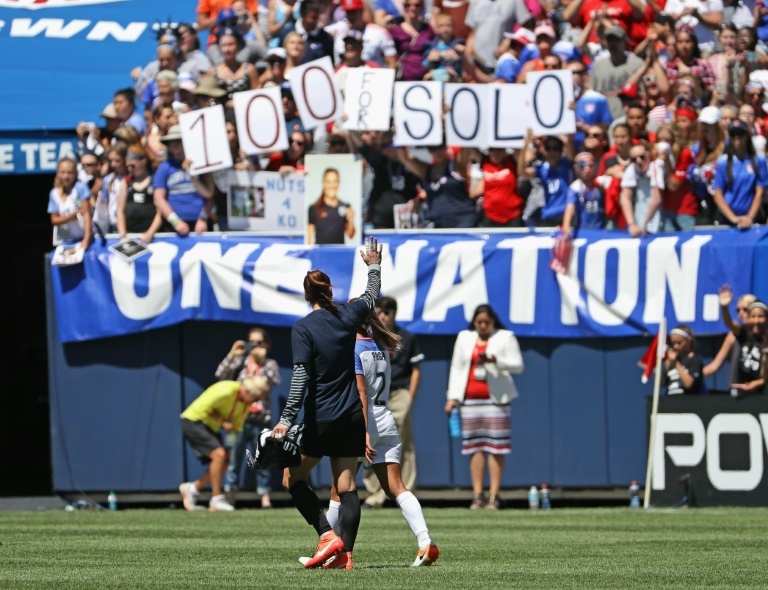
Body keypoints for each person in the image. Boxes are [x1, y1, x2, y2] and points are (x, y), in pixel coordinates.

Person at [271, 237, 383, 570]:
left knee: (291, 479)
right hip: (352, 416)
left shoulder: (303, 328)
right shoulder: (348, 316)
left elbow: (300, 377)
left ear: (307, 296)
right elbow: (371, 294)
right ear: (330, 292)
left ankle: (326, 535)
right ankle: (344, 555)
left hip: (323, 417)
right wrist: (374, 265)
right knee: (347, 486)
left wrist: (286, 419)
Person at [321, 306, 438, 567]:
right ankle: (425, 542)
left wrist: (361, 431)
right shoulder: (380, 344)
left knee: (339, 490)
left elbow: (361, 393)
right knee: (397, 487)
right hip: (385, 419)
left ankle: (329, 550)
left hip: (363, 420)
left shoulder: (352, 349)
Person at [445, 304, 524, 510]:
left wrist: (496, 360)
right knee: (474, 447)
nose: (482, 326)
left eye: (486, 322)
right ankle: (478, 494)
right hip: (471, 400)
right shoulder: (464, 337)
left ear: (493, 321)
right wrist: (453, 396)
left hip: (496, 401)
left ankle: (494, 495)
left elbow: (518, 364)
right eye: (479, 322)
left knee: (496, 448)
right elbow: (457, 366)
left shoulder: (505, 337)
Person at [363, 296, 423, 509]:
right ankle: (374, 494)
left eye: (387, 312)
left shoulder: (405, 336)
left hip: (398, 393)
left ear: (395, 314)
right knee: (372, 442)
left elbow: (415, 369)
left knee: (402, 444)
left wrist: (409, 397)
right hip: (374, 395)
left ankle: (404, 493)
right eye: (379, 312)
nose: (382, 316)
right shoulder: (367, 337)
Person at [179, 375, 268, 512]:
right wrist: (223, 422)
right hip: (193, 420)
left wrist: (230, 449)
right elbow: (205, 408)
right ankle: (216, 499)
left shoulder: (245, 405)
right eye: (256, 398)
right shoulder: (226, 389)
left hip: (211, 427)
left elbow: (235, 429)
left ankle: (191, 489)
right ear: (247, 392)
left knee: (224, 459)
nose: (256, 402)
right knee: (219, 455)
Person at [216, 327, 281, 509]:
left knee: (262, 459)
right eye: (252, 343)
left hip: (261, 419)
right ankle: (229, 497)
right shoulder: (241, 362)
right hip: (240, 419)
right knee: (234, 460)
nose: (256, 346)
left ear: (266, 345)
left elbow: (274, 381)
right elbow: (220, 375)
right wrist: (232, 354)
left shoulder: (269, 364)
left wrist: (259, 362)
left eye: (260, 342)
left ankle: (264, 498)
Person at [153, 125, 216, 235]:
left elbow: (209, 195)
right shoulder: (165, 167)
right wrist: (176, 222)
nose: (175, 144)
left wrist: (203, 218)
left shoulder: (200, 165)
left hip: (200, 225)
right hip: (174, 226)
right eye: (171, 142)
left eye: (179, 140)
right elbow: (158, 198)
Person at [712, 119, 767, 228]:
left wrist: (750, 217)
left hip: (753, 218)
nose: (737, 138)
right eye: (733, 135)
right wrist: (733, 218)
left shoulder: (759, 161)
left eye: (740, 134)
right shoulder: (723, 162)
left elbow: (760, 193)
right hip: (728, 219)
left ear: (746, 136)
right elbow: (718, 194)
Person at [718, 285, 768, 397]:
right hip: (742, 391)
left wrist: (757, 383)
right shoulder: (744, 333)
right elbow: (730, 324)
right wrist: (724, 307)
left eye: (760, 316)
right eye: (753, 316)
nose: (756, 321)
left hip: (763, 393)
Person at [116, 144, 162, 244]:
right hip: (130, 235)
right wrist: (123, 235)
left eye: (132, 165)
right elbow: (120, 211)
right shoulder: (126, 183)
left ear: (144, 161)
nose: (129, 169)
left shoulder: (155, 181)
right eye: (127, 166)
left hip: (152, 236)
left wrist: (150, 233)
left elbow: (160, 212)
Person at [704, 292, 757, 378]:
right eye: (738, 310)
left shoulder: (764, 335)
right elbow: (715, 365)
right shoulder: (734, 334)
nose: (741, 313)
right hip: (738, 386)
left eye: (745, 309)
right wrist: (695, 376)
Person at [48, 157, 92, 252]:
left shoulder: (80, 188)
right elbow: (54, 220)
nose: (66, 176)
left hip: (83, 239)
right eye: (62, 172)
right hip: (66, 241)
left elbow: (87, 214)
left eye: (69, 173)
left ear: (75, 173)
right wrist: (70, 217)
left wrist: (86, 239)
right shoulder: (54, 193)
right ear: (58, 173)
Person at [620, 141, 663, 236]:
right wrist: (632, 224)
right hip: (641, 212)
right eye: (634, 159)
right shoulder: (631, 169)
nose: (639, 161)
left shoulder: (656, 166)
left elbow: (657, 199)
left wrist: (645, 224)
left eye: (642, 157)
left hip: (659, 213)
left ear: (648, 155)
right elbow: (625, 198)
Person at [390, 0, 436, 81]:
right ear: (404, 7)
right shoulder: (395, 30)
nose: (412, 8)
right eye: (408, 5)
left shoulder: (428, 30)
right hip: (402, 78)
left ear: (422, 7)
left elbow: (436, 46)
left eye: (417, 5)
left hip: (425, 78)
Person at [307, 168, 356, 245]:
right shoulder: (314, 208)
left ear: (339, 183)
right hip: (320, 254)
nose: (332, 185)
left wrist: (351, 220)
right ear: (323, 183)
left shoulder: (345, 206)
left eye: (335, 181)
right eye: (328, 182)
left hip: (339, 253)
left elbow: (351, 235)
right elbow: (308, 237)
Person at [661, 325, 705, 395]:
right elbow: (660, 384)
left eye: (679, 343)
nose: (676, 346)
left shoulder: (695, 360)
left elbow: (688, 384)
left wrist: (676, 363)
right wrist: (667, 364)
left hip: (687, 402)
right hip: (670, 401)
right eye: (673, 343)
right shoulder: (670, 361)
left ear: (689, 340)